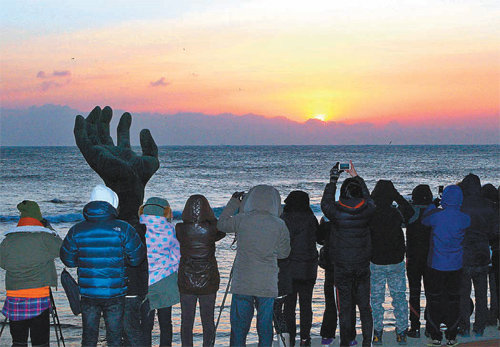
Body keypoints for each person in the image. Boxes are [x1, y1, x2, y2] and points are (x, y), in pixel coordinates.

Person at [60, 184, 146, 347]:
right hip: (115, 292)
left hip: (88, 292)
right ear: (112, 203)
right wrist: (120, 260)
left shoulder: (77, 230)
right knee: (114, 338)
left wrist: (87, 261)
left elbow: (68, 260)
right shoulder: (123, 228)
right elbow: (137, 258)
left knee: (89, 337)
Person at [218, 185, 291, 347]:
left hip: (242, 281)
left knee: (238, 328)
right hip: (266, 283)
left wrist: (233, 203)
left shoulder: (242, 219)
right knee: (264, 327)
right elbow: (284, 253)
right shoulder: (279, 224)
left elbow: (221, 224)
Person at [320, 161, 376, 347]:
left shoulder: (336, 211)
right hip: (362, 265)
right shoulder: (367, 209)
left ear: (342, 194)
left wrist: (332, 179)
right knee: (365, 307)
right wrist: (356, 176)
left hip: (342, 266)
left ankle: (346, 343)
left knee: (344, 308)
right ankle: (367, 343)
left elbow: (325, 202)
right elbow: (370, 199)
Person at [0, 200, 62, 347]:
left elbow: (2, 263)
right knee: (40, 343)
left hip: (15, 297)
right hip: (38, 296)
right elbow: (62, 250)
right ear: (38, 217)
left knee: (18, 342)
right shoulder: (45, 237)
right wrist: (50, 228)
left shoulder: (9, 240)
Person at [422, 185, 470, 346]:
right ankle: (451, 335)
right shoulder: (465, 218)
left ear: (444, 199)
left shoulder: (436, 216)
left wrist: (432, 204)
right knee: (453, 301)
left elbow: (425, 219)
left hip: (436, 264)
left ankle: (435, 335)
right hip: (456, 265)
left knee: (434, 300)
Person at [175, 195, 226, 347]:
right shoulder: (212, 229)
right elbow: (221, 232)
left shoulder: (180, 229)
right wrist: (211, 218)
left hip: (186, 278)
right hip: (208, 278)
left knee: (186, 321)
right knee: (208, 321)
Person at [369, 180, 413, 345]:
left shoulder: (371, 213)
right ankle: (401, 332)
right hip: (395, 261)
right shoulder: (396, 212)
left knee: (376, 299)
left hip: (376, 261)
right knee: (399, 297)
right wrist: (397, 196)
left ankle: (377, 333)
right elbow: (410, 212)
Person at [458, 174, 498, 337]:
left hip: (464, 254)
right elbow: (495, 230)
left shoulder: (460, 205)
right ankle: (479, 327)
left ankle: (464, 327)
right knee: (482, 294)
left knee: (463, 294)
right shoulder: (490, 206)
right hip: (482, 252)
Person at [139, 197, 181, 347]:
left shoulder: (138, 229)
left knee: (145, 324)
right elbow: (177, 257)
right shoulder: (169, 230)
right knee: (165, 323)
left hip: (143, 282)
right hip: (165, 282)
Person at [281, 191, 319, 346]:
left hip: (289, 269)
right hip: (308, 269)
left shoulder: (284, 219)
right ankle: (305, 339)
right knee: (306, 305)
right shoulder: (311, 219)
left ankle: (290, 340)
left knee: (289, 308)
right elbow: (320, 238)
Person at [317, 217, 357, 347]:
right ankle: (349, 336)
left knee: (331, 301)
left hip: (332, 265)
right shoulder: (354, 218)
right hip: (349, 264)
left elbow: (319, 239)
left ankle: (328, 335)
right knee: (349, 301)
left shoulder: (327, 220)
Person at [405, 184, 434, 338]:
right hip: (431, 258)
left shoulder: (410, 212)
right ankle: (430, 326)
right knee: (431, 293)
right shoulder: (435, 212)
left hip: (413, 258)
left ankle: (414, 327)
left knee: (414, 293)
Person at [481, 184, 499, 326]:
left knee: (482, 288)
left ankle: (486, 317)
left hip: (483, 253)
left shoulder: (485, 212)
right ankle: (494, 315)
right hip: (494, 252)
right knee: (495, 287)